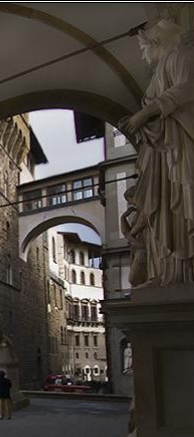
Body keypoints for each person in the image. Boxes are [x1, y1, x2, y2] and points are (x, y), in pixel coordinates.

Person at [119, 17, 194, 286]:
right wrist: (139, 120)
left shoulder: (181, 56)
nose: (142, 53)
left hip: (179, 147)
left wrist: (144, 115)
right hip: (162, 154)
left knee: (182, 203)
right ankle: (168, 273)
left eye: (142, 47)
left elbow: (186, 89)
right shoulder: (165, 65)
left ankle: (183, 272)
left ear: (156, 42)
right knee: (164, 210)